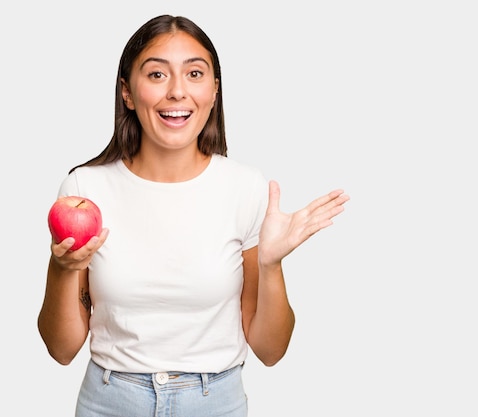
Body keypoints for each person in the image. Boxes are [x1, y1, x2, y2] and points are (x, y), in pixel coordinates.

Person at [38, 14, 349, 417]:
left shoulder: (246, 187)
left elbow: (271, 351)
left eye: (195, 73)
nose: (177, 92)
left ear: (214, 91)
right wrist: (61, 268)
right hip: (110, 402)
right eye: (156, 75)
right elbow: (61, 350)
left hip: (215, 403)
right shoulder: (85, 188)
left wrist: (271, 264)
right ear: (127, 93)